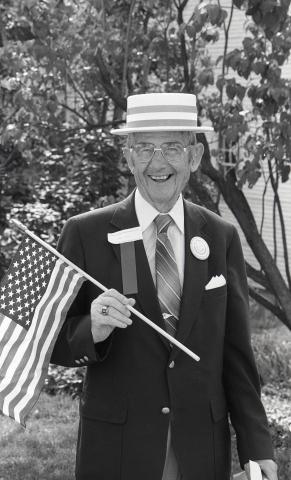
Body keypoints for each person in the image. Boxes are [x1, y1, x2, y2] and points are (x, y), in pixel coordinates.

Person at [50, 93, 278, 480]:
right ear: (128, 156)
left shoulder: (221, 237)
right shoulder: (85, 233)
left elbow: (237, 356)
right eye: (145, 148)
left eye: (171, 147)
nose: (158, 162)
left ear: (194, 156)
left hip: (200, 449)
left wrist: (258, 449)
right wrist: (94, 327)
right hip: (117, 449)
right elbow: (48, 339)